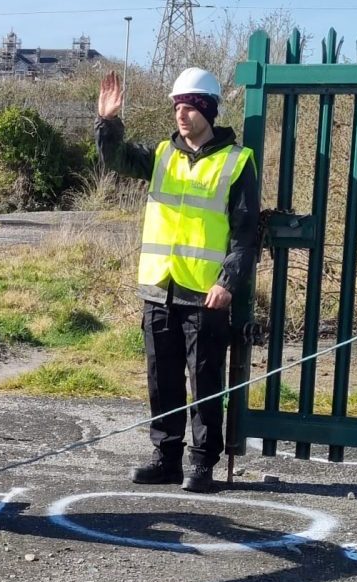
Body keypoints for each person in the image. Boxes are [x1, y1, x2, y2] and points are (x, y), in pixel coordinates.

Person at [96, 67, 259, 493]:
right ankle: (166, 457)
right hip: (159, 285)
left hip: (206, 292)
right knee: (160, 378)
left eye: (189, 107)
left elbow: (245, 233)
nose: (181, 115)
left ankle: (202, 462)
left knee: (205, 380)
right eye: (177, 108)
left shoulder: (236, 161)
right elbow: (114, 159)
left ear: (207, 109)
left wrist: (228, 281)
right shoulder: (162, 155)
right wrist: (108, 124)